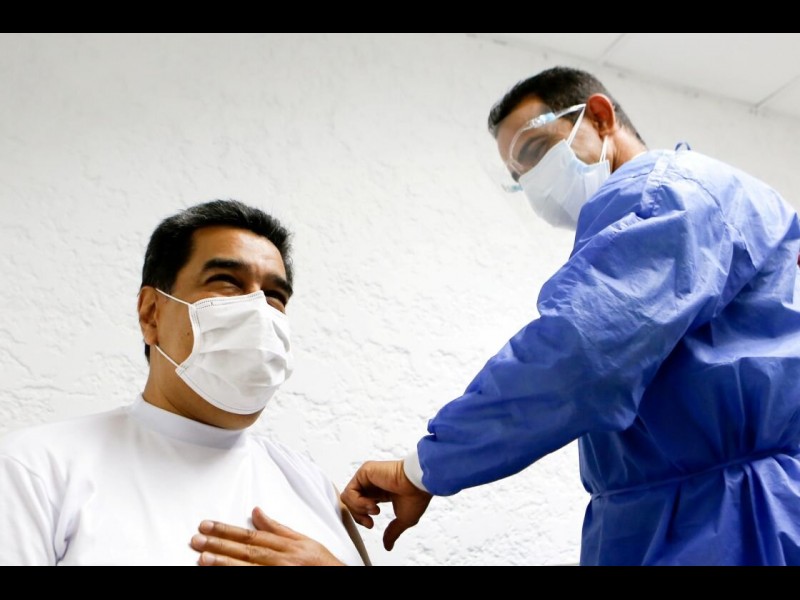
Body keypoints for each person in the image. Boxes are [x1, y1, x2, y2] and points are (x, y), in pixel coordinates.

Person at [338, 66, 800, 566]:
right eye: (519, 177)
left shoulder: (665, 195)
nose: (534, 180)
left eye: (537, 150)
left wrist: (422, 468)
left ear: (599, 117)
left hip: (720, 521)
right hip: (673, 513)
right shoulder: (706, 199)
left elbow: (579, 357)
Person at [0, 199, 370, 566]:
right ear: (151, 314)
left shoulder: (315, 489)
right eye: (227, 282)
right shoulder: (33, 471)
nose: (258, 311)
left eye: (274, 296)